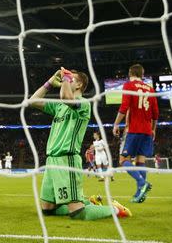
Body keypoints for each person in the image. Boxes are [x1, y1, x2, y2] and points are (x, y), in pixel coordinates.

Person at [30, 68, 131, 220]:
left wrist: (65, 78)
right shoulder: (59, 107)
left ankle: (115, 209)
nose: (67, 79)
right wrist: (51, 81)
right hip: (52, 161)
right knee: (47, 209)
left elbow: (66, 97)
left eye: (72, 78)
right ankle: (86, 201)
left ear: (79, 85)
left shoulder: (84, 104)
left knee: (77, 213)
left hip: (67, 159)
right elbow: (33, 101)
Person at [113, 64, 159, 203]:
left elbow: (124, 106)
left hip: (134, 129)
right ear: (142, 74)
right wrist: (153, 129)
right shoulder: (150, 89)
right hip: (147, 131)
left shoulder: (128, 85)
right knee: (140, 161)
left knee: (123, 160)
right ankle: (140, 194)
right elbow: (155, 113)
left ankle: (141, 183)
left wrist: (116, 124)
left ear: (130, 73)